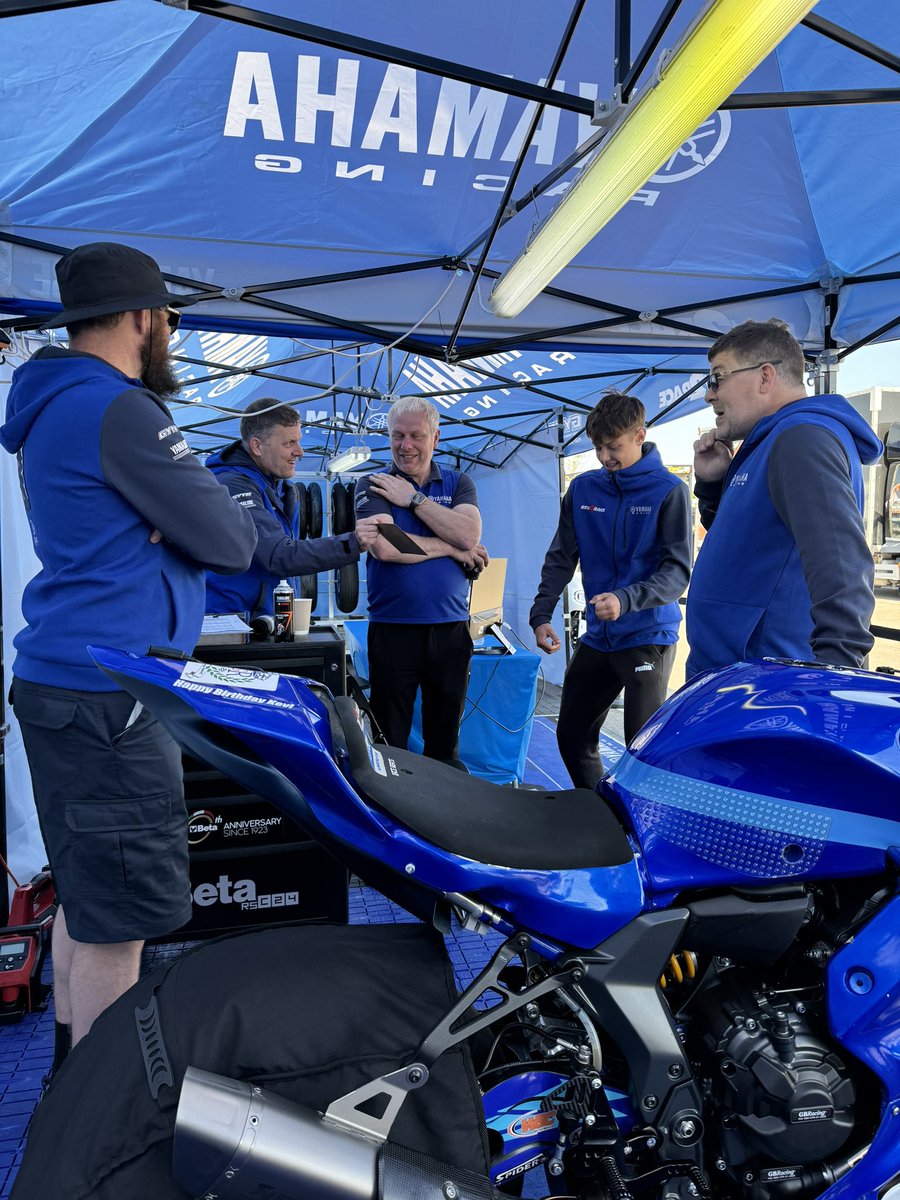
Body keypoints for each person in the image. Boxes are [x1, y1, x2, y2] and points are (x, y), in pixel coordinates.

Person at [0, 241, 258, 1055]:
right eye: (169, 323)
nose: (170, 340)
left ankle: (72, 1091)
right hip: (111, 696)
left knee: (86, 903)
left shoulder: (49, 402)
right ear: (146, 319)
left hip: (63, 683)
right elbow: (230, 540)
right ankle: (104, 1123)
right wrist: (181, 527)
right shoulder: (120, 409)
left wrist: (164, 529)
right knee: (121, 929)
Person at [686, 318, 881, 678]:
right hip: (734, 681)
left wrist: (831, 677)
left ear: (764, 376)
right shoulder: (774, 441)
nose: (709, 393)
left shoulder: (800, 438)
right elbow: (751, 547)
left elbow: (843, 569)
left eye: (718, 377)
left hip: (764, 692)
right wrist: (714, 486)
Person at [531, 391, 691, 790]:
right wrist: (540, 614)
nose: (605, 456)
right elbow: (560, 556)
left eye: (613, 446)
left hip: (648, 637)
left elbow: (678, 573)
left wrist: (626, 599)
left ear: (640, 435)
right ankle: (602, 816)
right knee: (571, 737)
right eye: (598, 447)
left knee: (643, 754)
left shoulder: (669, 490)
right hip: (599, 638)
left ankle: (638, 833)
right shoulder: (584, 489)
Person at [354, 396, 488, 763]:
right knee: (389, 740)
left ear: (436, 438)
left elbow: (469, 536)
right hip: (394, 629)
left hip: (450, 630)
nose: (406, 446)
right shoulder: (373, 482)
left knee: (444, 744)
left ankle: (443, 817)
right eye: (397, 435)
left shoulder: (459, 482)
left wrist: (413, 500)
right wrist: (452, 549)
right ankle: (391, 815)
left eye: (416, 436)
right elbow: (386, 547)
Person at [204, 397, 385, 619]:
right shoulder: (232, 485)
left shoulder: (281, 487)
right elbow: (278, 555)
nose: (300, 452)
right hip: (234, 623)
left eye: (298, 441)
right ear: (257, 446)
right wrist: (353, 542)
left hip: (267, 620)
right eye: (289, 443)